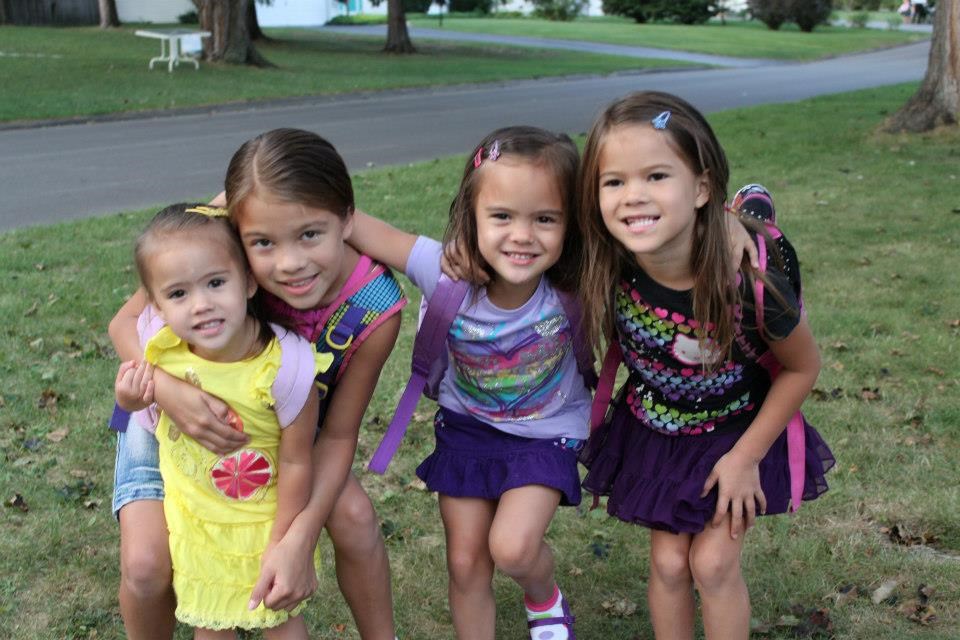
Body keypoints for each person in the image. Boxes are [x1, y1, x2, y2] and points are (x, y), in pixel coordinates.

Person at [109, 130, 405, 640]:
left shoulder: (373, 308)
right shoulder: (212, 241)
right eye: (263, 243)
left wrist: (297, 537)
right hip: (166, 415)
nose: (288, 264)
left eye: (310, 236)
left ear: (345, 223)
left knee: (354, 516)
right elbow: (124, 324)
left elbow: (336, 436)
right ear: (239, 238)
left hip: (280, 424)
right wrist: (165, 390)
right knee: (145, 568)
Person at [576, 92, 834, 640]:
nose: (633, 197)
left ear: (700, 187)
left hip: (736, 431)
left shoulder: (750, 284)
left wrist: (745, 458)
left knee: (712, 565)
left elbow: (802, 368)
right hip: (658, 429)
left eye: (656, 176)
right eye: (613, 181)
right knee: (670, 565)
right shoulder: (607, 254)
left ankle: (750, 211)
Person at [348, 126, 588, 640]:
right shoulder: (442, 272)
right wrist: (257, 195)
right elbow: (355, 226)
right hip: (466, 432)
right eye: (501, 216)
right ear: (470, 216)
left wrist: (735, 227)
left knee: (514, 548)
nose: (522, 235)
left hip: (547, 432)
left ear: (572, 224)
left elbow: (664, 244)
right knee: (465, 563)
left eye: (544, 219)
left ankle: (543, 597)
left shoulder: (579, 282)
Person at [114, 203, 327, 637]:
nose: (201, 305)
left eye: (215, 283)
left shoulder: (285, 367)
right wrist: (132, 396)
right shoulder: (160, 347)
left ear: (248, 281)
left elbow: (297, 460)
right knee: (209, 622)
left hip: (261, 519)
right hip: (198, 521)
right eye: (178, 295)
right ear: (155, 304)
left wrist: (283, 540)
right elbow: (144, 410)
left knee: (280, 620)